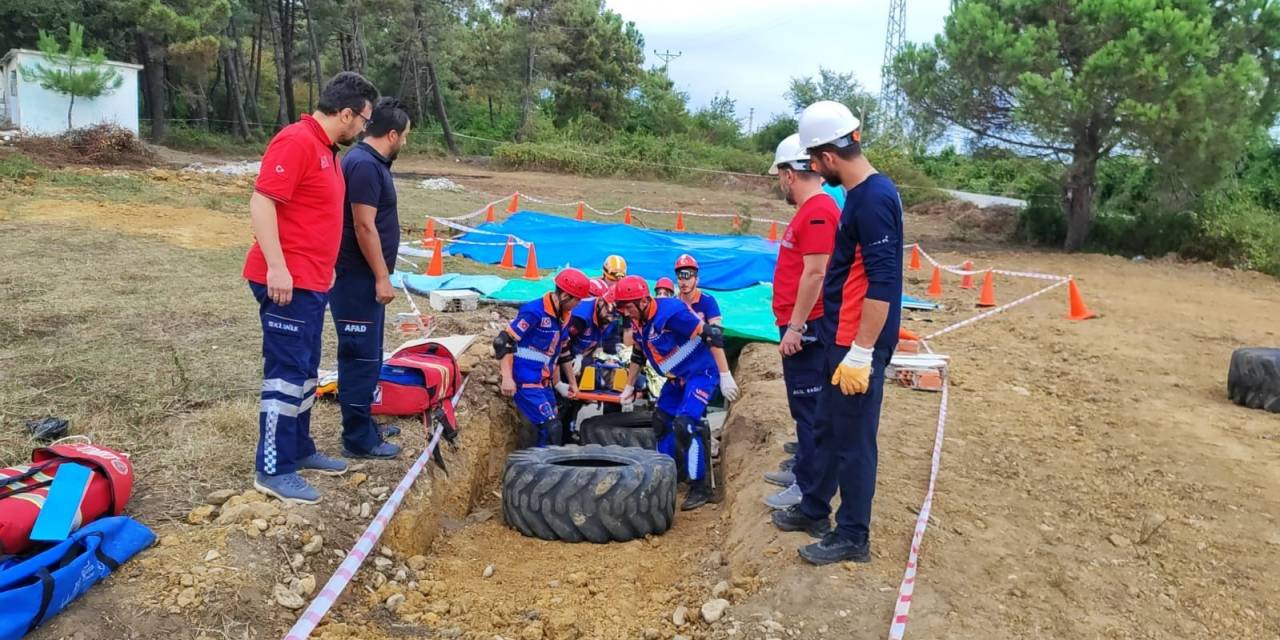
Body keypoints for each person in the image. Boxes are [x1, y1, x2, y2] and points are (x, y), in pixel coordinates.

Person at [771, 101, 904, 565]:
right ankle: (813, 509)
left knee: (853, 440)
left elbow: (884, 280)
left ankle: (852, 535)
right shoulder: (860, 196)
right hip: (839, 334)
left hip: (856, 340)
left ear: (828, 155)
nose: (813, 168)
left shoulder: (873, 199)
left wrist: (863, 350)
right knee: (826, 426)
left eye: (814, 159)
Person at [243, 72, 379, 504]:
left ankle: (298, 450)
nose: (363, 129)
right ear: (346, 113)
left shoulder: (326, 151)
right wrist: (278, 268)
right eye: (363, 120)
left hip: (313, 281)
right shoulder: (296, 141)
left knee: (304, 372)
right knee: (284, 375)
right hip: (287, 282)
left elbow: (313, 215)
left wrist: (326, 267)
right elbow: (262, 201)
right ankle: (273, 468)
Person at [331, 97, 412, 461]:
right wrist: (382, 276)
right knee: (359, 357)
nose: (406, 143)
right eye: (405, 136)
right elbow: (364, 226)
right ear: (392, 134)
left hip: (365, 278)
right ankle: (357, 439)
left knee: (370, 355)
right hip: (356, 278)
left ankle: (363, 423)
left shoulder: (373, 163)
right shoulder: (363, 165)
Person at [762, 134, 839, 510]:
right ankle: (803, 469)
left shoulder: (819, 211)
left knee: (809, 407)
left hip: (807, 328)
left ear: (790, 174)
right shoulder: (810, 211)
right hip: (799, 323)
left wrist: (796, 326)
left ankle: (809, 487)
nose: (780, 184)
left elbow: (815, 274)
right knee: (801, 404)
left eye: (780, 175)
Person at [615, 276, 732, 511]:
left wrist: (725, 374)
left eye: (629, 306)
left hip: (701, 372)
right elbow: (639, 354)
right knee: (661, 422)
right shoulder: (638, 321)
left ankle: (700, 486)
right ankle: (667, 474)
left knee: (686, 424)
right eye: (622, 307)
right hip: (676, 378)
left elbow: (712, 335)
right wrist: (629, 385)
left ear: (645, 301)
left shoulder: (672, 313)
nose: (626, 312)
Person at [495, 269, 592, 447]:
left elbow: (561, 353)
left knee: (556, 426)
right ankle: (540, 471)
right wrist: (507, 378)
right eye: (577, 300)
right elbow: (503, 342)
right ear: (564, 296)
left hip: (544, 383)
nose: (579, 305)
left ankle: (543, 466)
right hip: (525, 382)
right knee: (551, 428)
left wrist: (567, 384)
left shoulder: (565, 316)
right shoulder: (534, 312)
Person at [554, 279, 622, 437]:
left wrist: (613, 357)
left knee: (604, 389)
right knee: (563, 401)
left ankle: (571, 430)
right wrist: (559, 381)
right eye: (610, 315)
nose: (610, 320)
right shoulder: (580, 317)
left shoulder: (610, 317)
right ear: (600, 303)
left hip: (581, 356)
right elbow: (558, 346)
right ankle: (557, 438)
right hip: (562, 359)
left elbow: (609, 344)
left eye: (615, 317)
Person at [674, 255, 739, 402]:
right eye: (680, 278)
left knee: (692, 412)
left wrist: (725, 374)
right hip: (680, 361)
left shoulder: (707, 301)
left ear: (697, 279)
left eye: (688, 277)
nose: (683, 282)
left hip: (704, 361)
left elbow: (716, 335)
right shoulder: (674, 303)